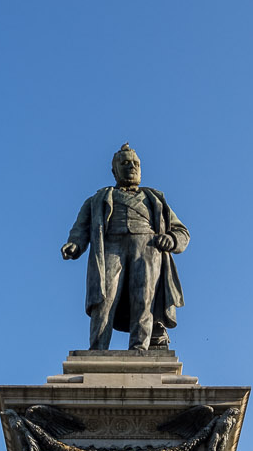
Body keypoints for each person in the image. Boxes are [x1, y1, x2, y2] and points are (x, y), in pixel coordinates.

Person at [61, 143, 189, 351]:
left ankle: (140, 347)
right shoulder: (97, 199)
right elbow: (80, 228)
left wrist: (172, 239)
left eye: (135, 163)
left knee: (144, 298)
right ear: (114, 170)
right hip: (110, 247)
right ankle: (98, 348)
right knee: (104, 298)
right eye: (125, 163)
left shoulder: (155, 199)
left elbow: (181, 231)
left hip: (147, 247)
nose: (131, 166)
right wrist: (75, 244)